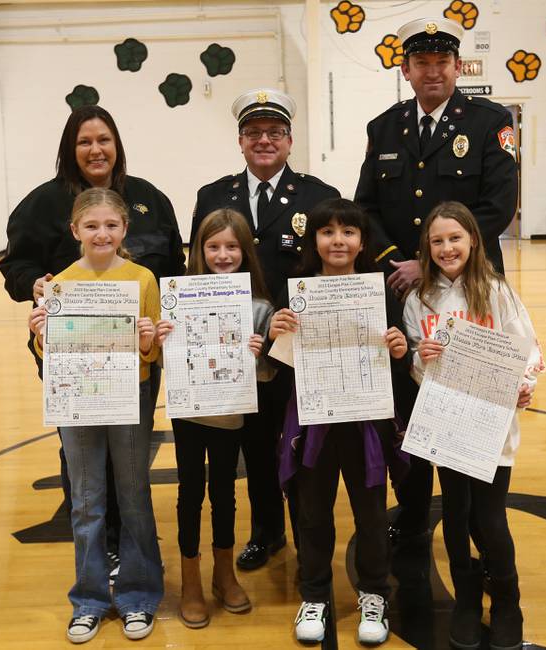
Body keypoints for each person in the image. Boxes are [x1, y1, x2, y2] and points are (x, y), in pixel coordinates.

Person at [0, 105, 185, 579]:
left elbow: (175, 274)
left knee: (128, 454)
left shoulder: (149, 199)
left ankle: (129, 543)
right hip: (70, 355)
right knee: (79, 454)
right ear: (69, 149)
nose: (95, 149)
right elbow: (14, 268)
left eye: (103, 139)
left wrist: (163, 330)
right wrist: (35, 287)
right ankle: (98, 545)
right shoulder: (42, 203)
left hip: (139, 352)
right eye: (84, 141)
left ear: (117, 144)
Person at [354, 16, 519, 541]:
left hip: (468, 290)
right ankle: (415, 505)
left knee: (467, 396)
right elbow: (366, 208)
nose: (432, 72)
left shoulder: (490, 122)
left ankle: (475, 509)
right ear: (406, 70)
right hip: (401, 289)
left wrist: (427, 263)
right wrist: (394, 261)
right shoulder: (384, 128)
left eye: (442, 62)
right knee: (409, 399)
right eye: (421, 63)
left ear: (456, 65)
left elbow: (499, 206)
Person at [192, 89, 340, 571]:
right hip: (240, 348)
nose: (264, 141)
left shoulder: (319, 196)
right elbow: (199, 269)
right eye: (254, 133)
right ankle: (266, 531)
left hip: (298, 343)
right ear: (240, 141)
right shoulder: (213, 196)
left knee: (297, 441)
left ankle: (304, 534)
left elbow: (329, 267)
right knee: (255, 446)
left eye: (274, 133)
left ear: (290, 140)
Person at [402, 201, 544, 650]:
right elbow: (415, 370)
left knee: (490, 515)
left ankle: (507, 602)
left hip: (492, 425)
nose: (447, 248)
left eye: (455, 238)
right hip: (446, 425)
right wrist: (420, 361)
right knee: (456, 513)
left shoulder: (497, 292)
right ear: (427, 247)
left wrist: (524, 386)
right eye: (438, 240)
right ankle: (466, 598)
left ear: (473, 241)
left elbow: (530, 351)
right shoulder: (416, 299)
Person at [271, 198, 410, 646]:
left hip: (365, 420)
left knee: (371, 515)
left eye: (348, 232)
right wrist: (278, 330)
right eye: (328, 231)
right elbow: (281, 363)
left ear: (362, 240)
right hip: (313, 421)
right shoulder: (298, 291)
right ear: (314, 240)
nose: (338, 240)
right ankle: (314, 595)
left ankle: (373, 593)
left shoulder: (380, 291)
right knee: (312, 514)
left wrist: (397, 346)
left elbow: (397, 356)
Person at [28, 188, 164, 644]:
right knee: (86, 500)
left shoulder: (143, 279)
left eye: (110, 225)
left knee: (133, 494)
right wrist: (40, 335)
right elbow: (50, 355)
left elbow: (153, 352)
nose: (101, 233)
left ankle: (139, 595)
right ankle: (88, 600)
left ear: (124, 228)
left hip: (130, 396)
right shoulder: (59, 284)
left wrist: (147, 341)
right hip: (79, 400)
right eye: (91, 226)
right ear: (75, 231)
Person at [155, 209, 274, 628]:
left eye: (231, 246)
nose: (222, 255)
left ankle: (224, 572)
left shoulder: (258, 305)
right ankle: (191, 578)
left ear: (245, 251)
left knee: (224, 490)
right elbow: (162, 353)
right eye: (213, 246)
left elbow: (264, 375)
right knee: (190, 490)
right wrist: (162, 337)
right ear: (197, 251)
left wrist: (261, 355)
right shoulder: (177, 295)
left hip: (230, 412)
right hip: (190, 411)